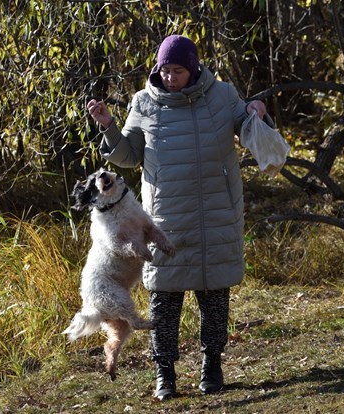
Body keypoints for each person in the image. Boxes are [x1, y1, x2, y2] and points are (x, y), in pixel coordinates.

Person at [86, 34, 267, 400]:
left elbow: (247, 126)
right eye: (165, 70)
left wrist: (257, 111)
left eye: (178, 71)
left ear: (194, 68)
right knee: (164, 301)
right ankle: (164, 375)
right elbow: (128, 157)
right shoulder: (143, 103)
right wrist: (107, 126)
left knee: (215, 296)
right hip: (164, 220)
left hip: (216, 214)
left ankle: (211, 367)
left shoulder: (222, 96)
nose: (170, 77)